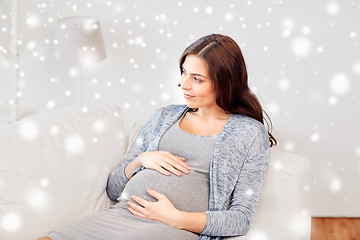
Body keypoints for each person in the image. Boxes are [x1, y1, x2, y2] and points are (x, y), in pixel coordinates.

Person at [38, 33, 276, 240]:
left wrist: (175, 218)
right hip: (119, 216)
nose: (183, 84)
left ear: (225, 83)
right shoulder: (164, 117)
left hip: (172, 228)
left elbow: (240, 218)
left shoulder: (248, 133)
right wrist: (141, 161)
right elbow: (113, 188)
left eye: (197, 79)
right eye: (184, 72)